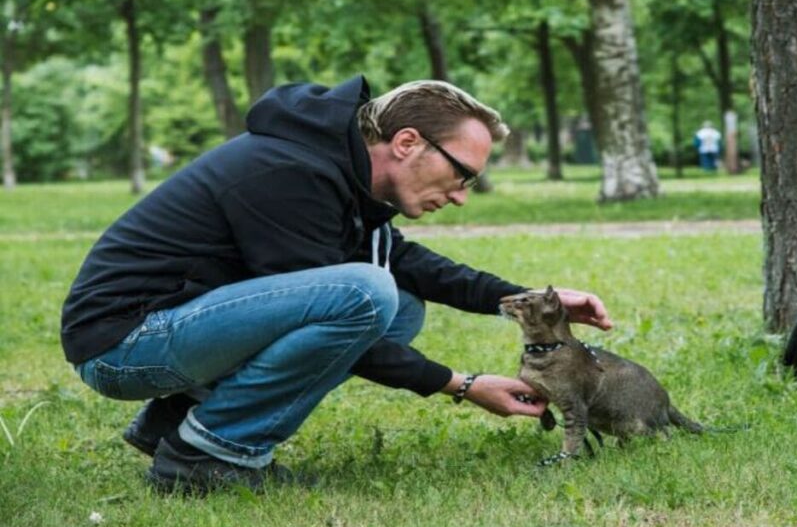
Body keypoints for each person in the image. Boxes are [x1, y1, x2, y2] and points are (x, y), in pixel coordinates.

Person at [61, 76, 614, 492]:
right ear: (406, 143)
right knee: (364, 293)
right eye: (461, 173)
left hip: (174, 327)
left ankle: (176, 421)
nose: (463, 192)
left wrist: (535, 300)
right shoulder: (290, 171)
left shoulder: (342, 175)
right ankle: (206, 456)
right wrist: (461, 384)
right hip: (124, 345)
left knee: (397, 305)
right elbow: (343, 312)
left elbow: (406, 261)